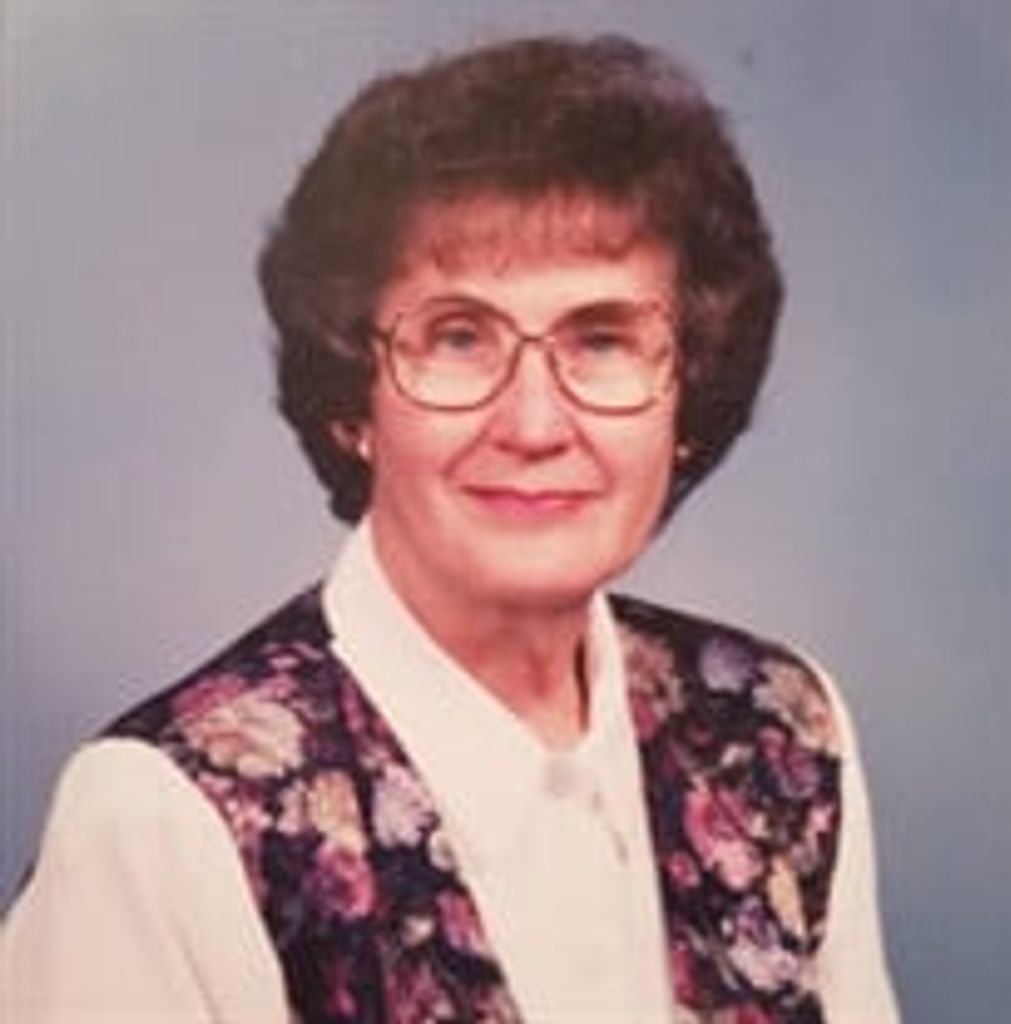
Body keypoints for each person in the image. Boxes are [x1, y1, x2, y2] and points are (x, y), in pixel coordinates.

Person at [0, 35, 899, 1023]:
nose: (534, 424)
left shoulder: (781, 727)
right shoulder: (157, 819)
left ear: (687, 397)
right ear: (354, 401)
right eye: (459, 336)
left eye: (602, 338)